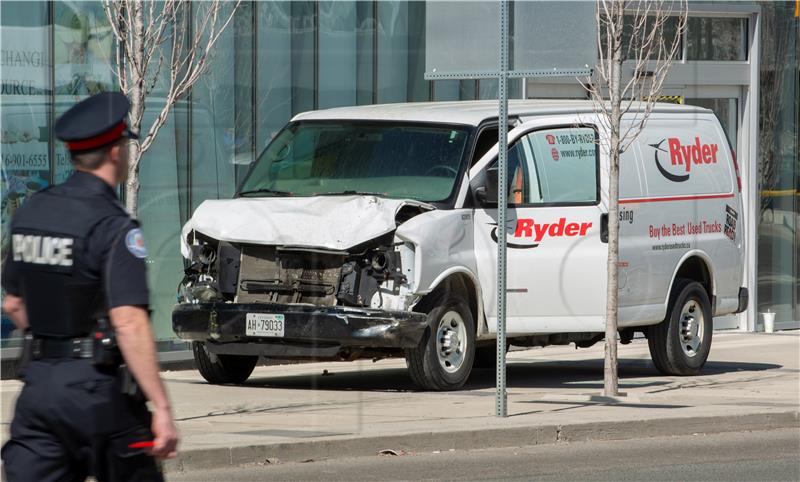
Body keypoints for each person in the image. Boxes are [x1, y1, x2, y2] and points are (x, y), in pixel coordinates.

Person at [1, 92, 179, 481]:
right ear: (117, 152)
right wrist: (161, 407)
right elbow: (129, 323)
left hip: (40, 391)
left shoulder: (31, 212)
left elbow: (14, 303)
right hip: (100, 395)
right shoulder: (114, 227)